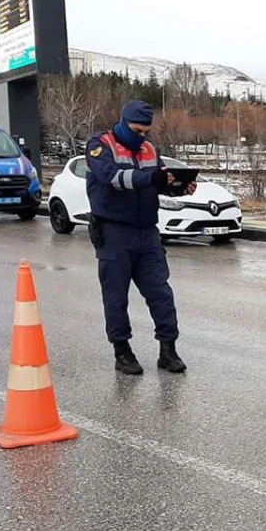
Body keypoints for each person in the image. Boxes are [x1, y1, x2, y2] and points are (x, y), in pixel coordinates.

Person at [85, 100, 192, 376]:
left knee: (161, 294)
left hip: (147, 233)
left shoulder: (148, 149)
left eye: (147, 132)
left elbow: (159, 181)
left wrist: (179, 187)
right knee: (116, 297)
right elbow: (112, 177)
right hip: (114, 233)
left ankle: (168, 350)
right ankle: (122, 351)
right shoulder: (100, 145)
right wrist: (151, 179)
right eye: (137, 130)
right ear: (123, 123)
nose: (142, 137)